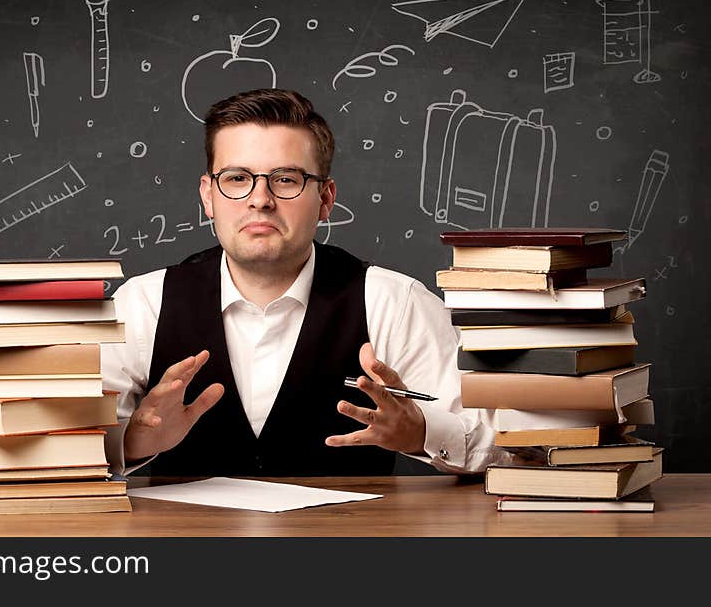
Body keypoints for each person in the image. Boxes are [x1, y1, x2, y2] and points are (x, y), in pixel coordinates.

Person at [101, 88, 511, 477]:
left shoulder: (395, 302)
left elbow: (508, 447)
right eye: (237, 178)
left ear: (326, 200)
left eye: (285, 179)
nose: (260, 198)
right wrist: (133, 441)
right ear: (209, 196)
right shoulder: (142, 304)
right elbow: (60, 449)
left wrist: (422, 431)